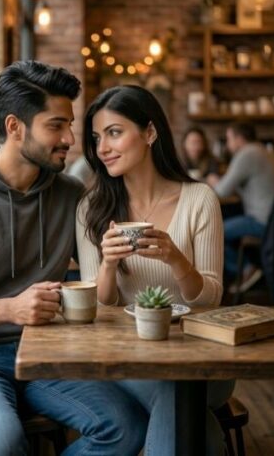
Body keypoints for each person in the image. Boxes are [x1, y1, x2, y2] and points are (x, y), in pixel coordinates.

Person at [0, 61, 147, 455]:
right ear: (15, 127)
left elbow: (103, 266)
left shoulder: (70, 196)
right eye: (56, 125)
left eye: (69, 124)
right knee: (1, 444)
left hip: (46, 351)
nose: (70, 137)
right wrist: (10, 309)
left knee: (126, 427)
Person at [76, 85, 231, 456]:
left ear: (149, 133)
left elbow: (211, 298)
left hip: (201, 354)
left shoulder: (199, 199)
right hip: (129, 357)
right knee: (194, 424)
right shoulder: (91, 209)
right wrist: (109, 265)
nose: (103, 148)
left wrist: (176, 259)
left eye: (114, 133)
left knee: (177, 390)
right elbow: (97, 308)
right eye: (97, 138)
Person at [207, 123, 274, 286]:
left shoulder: (247, 154)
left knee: (212, 233)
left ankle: (246, 269)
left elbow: (222, 191)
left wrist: (214, 181)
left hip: (263, 221)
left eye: (229, 139)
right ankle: (247, 270)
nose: (228, 145)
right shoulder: (266, 151)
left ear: (239, 138)